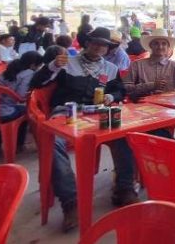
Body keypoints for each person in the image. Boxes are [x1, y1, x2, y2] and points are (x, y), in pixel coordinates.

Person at [30, 27, 134, 232]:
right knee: (52, 144)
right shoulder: (66, 63)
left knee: (125, 137)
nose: (99, 47)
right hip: (66, 115)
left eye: (104, 45)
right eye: (95, 42)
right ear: (87, 43)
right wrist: (52, 66)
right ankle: (70, 203)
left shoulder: (110, 68)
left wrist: (111, 96)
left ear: (108, 49)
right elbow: (36, 83)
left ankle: (124, 189)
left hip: (97, 115)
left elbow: (119, 91)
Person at [0, 51, 43, 158]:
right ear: (33, 65)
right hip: (7, 110)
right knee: (26, 112)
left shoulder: (10, 68)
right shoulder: (28, 73)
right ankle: (19, 145)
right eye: (39, 66)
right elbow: (21, 96)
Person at [124, 29, 175, 100]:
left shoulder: (174, 66)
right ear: (150, 45)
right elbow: (125, 88)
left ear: (168, 47)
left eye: (164, 44)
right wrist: (151, 85)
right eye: (156, 43)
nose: (160, 47)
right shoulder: (136, 65)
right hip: (142, 105)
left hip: (169, 105)